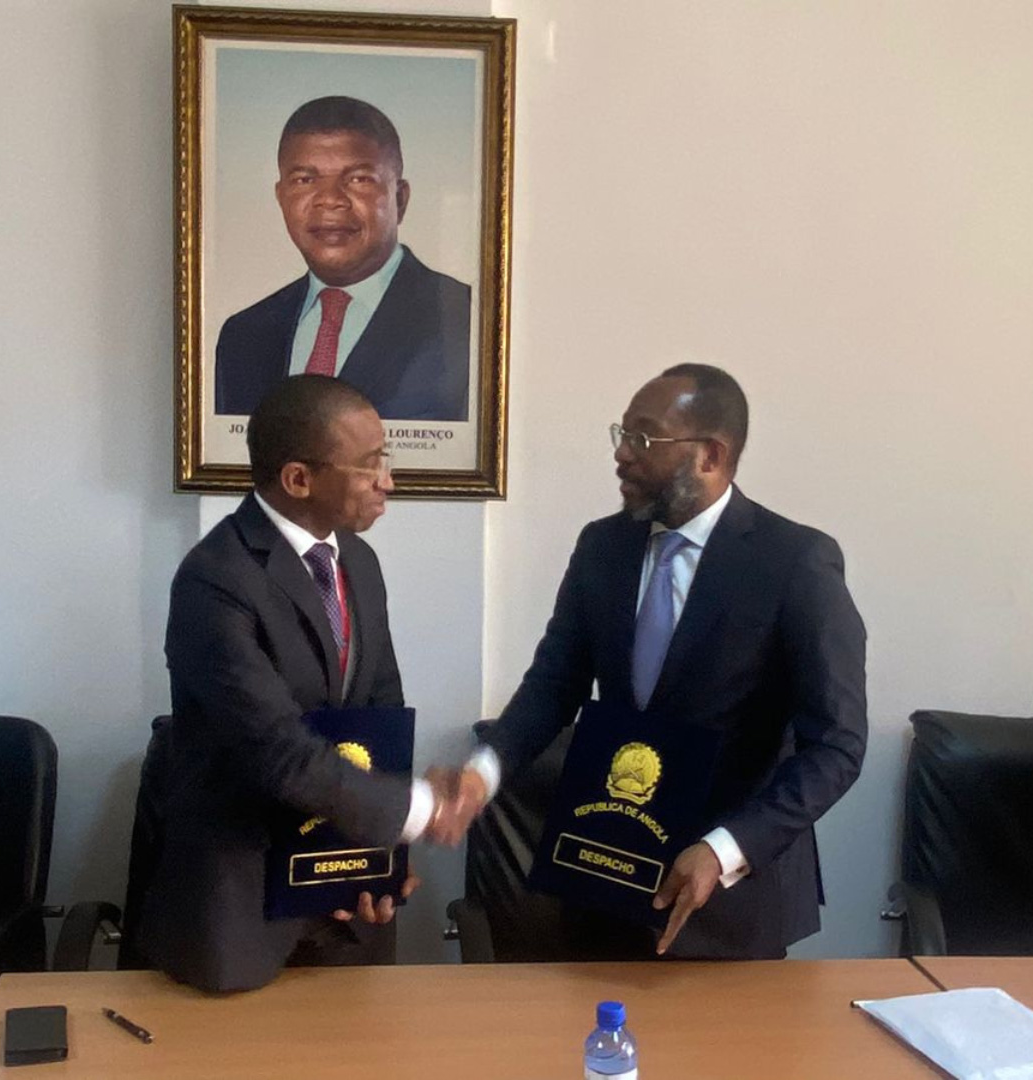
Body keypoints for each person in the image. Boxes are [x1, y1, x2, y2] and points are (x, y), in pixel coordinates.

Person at [452, 364, 868, 960]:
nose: (622, 454)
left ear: (710, 455)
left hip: (729, 902)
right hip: (605, 873)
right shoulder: (603, 546)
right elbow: (553, 685)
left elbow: (837, 745)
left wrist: (725, 849)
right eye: (622, 433)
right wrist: (483, 773)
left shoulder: (794, 562)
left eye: (643, 438)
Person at [137, 375, 462, 992]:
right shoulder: (214, 579)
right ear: (297, 479)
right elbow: (276, 749)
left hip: (346, 900)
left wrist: (377, 860)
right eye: (370, 465)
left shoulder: (358, 561)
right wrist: (416, 810)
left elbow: (379, 714)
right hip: (240, 911)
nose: (388, 481)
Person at [214, 96, 470, 422]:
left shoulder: (465, 321)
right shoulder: (244, 336)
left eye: (358, 179)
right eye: (304, 180)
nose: (330, 199)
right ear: (281, 198)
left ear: (400, 199)